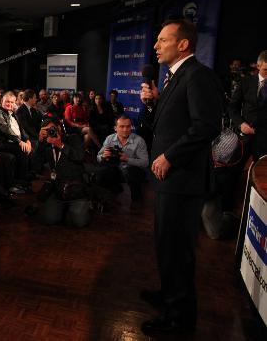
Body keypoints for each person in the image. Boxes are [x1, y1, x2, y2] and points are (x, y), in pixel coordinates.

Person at [139, 19, 223, 335]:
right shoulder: (176, 77)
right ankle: (169, 295)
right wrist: (152, 104)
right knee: (166, 245)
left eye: (163, 40)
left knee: (178, 250)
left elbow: (206, 126)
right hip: (168, 180)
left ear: (183, 44)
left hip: (182, 179)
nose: (156, 45)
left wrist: (170, 156)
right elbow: (169, 123)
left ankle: (179, 319)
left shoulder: (198, 76)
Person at [36, 117, 90, 227]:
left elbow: (79, 157)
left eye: (51, 129)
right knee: (50, 220)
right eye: (46, 130)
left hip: (75, 189)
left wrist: (60, 145)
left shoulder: (73, 139)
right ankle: (63, 209)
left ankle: (85, 205)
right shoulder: (46, 144)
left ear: (59, 128)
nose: (50, 132)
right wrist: (40, 142)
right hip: (57, 189)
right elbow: (36, 165)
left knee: (78, 222)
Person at [96, 115, 148, 203]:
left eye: (128, 126)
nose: (125, 129)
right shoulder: (110, 139)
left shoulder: (139, 141)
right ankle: (112, 193)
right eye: (122, 126)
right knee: (101, 174)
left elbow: (145, 163)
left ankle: (137, 199)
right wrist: (103, 156)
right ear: (115, 128)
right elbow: (98, 157)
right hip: (116, 170)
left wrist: (127, 159)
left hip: (133, 171)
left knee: (131, 173)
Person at [0, 91, 32, 188]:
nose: (10, 104)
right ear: (2, 101)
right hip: (1, 143)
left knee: (30, 146)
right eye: (7, 101)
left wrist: (27, 140)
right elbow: (5, 130)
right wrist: (20, 142)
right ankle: (20, 181)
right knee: (22, 150)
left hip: (13, 142)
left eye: (12, 102)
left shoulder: (13, 113)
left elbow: (21, 129)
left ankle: (24, 177)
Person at [229, 50, 267, 159]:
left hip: (264, 139)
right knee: (232, 171)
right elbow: (232, 107)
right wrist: (240, 124)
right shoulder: (245, 81)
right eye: (266, 70)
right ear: (258, 66)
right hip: (244, 136)